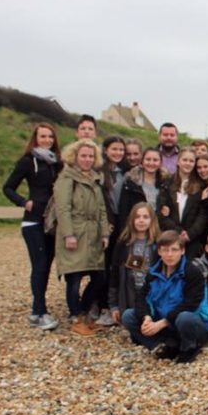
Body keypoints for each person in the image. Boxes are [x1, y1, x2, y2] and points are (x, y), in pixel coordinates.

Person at [2, 123, 62, 330]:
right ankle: (38, 312)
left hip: (51, 222)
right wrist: (23, 202)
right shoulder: (28, 161)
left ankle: (40, 306)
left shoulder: (57, 163)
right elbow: (8, 187)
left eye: (50, 137)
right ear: (35, 139)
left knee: (46, 266)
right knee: (39, 264)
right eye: (43, 136)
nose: (47, 140)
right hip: (33, 220)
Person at [122, 230, 208, 364]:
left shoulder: (192, 272)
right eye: (165, 250)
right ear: (159, 251)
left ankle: (190, 347)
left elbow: (191, 304)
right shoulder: (153, 273)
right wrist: (146, 317)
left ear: (182, 251)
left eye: (174, 250)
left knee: (185, 317)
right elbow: (141, 298)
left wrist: (162, 323)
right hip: (164, 324)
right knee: (128, 315)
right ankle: (161, 345)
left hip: (190, 323)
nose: (169, 254)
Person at [54, 139, 110, 336]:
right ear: (75, 157)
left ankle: (84, 313)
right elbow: (62, 208)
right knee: (75, 277)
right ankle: (75, 317)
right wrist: (68, 234)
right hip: (75, 232)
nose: (87, 159)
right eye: (83, 156)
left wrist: (105, 233)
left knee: (98, 277)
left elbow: (102, 209)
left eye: (90, 156)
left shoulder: (95, 179)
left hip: (93, 233)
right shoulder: (66, 178)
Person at [108, 202, 159, 325]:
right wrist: (113, 305)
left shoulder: (157, 243)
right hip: (129, 294)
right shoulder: (123, 243)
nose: (141, 220)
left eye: (145, 217)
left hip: (152, 295)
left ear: (152, 220)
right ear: (131, 220)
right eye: (137, 217)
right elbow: (114, 273)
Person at [95, 135, 128, 326]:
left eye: (120, 150)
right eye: (114, 149)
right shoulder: (99, 171)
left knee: (117, 264)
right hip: (106, 222)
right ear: (106, 150)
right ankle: (102, 305)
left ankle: (115, 303)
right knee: (103, 266)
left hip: (120, 222)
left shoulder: (124, 172)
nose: (118, 153)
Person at [157, 148, 208, 259]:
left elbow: (202, 214)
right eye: (185, 160)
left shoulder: (201, 186)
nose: (188, 163)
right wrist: (178, 232)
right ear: (178, 161)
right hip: (170, 236)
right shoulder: (166, 183)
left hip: (192, 239)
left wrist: (189, 234)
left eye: (191, 161)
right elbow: (161, 212)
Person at [117, 148, 166, 229]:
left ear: (160, 163)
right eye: (148, 159)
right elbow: (123, 210)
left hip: (158, 228)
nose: (151, 163)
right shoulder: (131, 182)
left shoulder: (165, 183)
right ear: (142, 162)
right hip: (135, 228)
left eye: (155, 160)